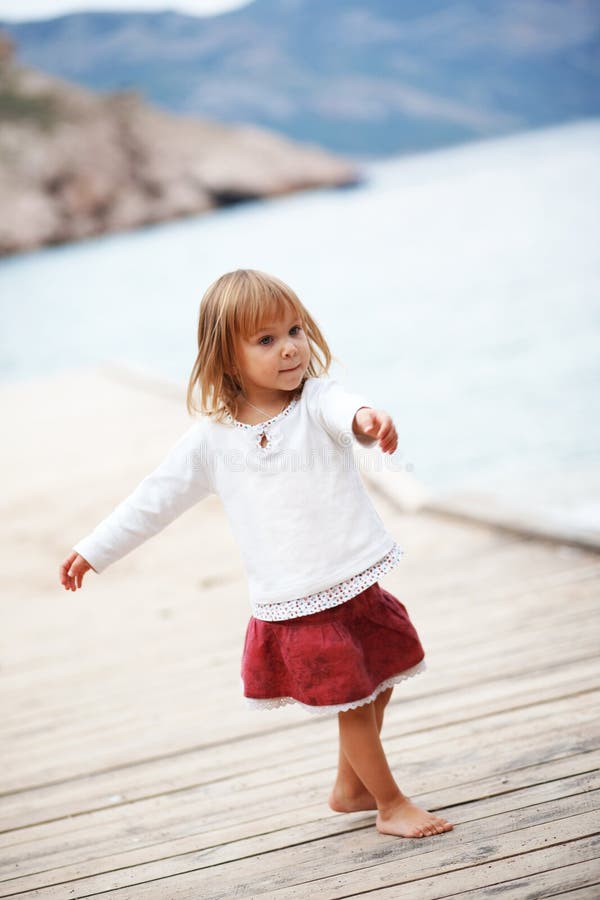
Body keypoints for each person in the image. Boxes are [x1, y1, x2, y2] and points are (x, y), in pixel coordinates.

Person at [60, 268, 453, 840]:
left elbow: (349, 410)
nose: (289, 347)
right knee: (353, 702)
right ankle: (389, 804)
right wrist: (94, 549)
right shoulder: (211, 441)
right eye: (266, 340)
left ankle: (349, 788)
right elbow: (154, 500)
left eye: (294, 330)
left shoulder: (316, 401)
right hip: (299, 600)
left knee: (379, 678)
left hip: (355, 582)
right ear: (227, 358)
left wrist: (369, 421)